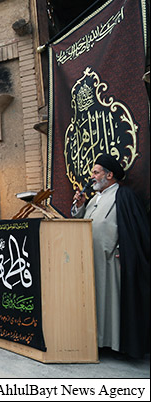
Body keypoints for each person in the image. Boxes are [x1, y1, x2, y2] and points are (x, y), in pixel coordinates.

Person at [72, 153, 149, 359]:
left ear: (109, 175)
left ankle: (114, 344)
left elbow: (136, 229)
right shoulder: (94, 199)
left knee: (111, 304)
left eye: (96, 173)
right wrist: (80, 205)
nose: (92, 177)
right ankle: (97, 342)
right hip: (91, 260)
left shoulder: (124, 196)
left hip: (111, 262)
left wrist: (126, 251)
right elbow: (81, 222)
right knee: (96, 303)